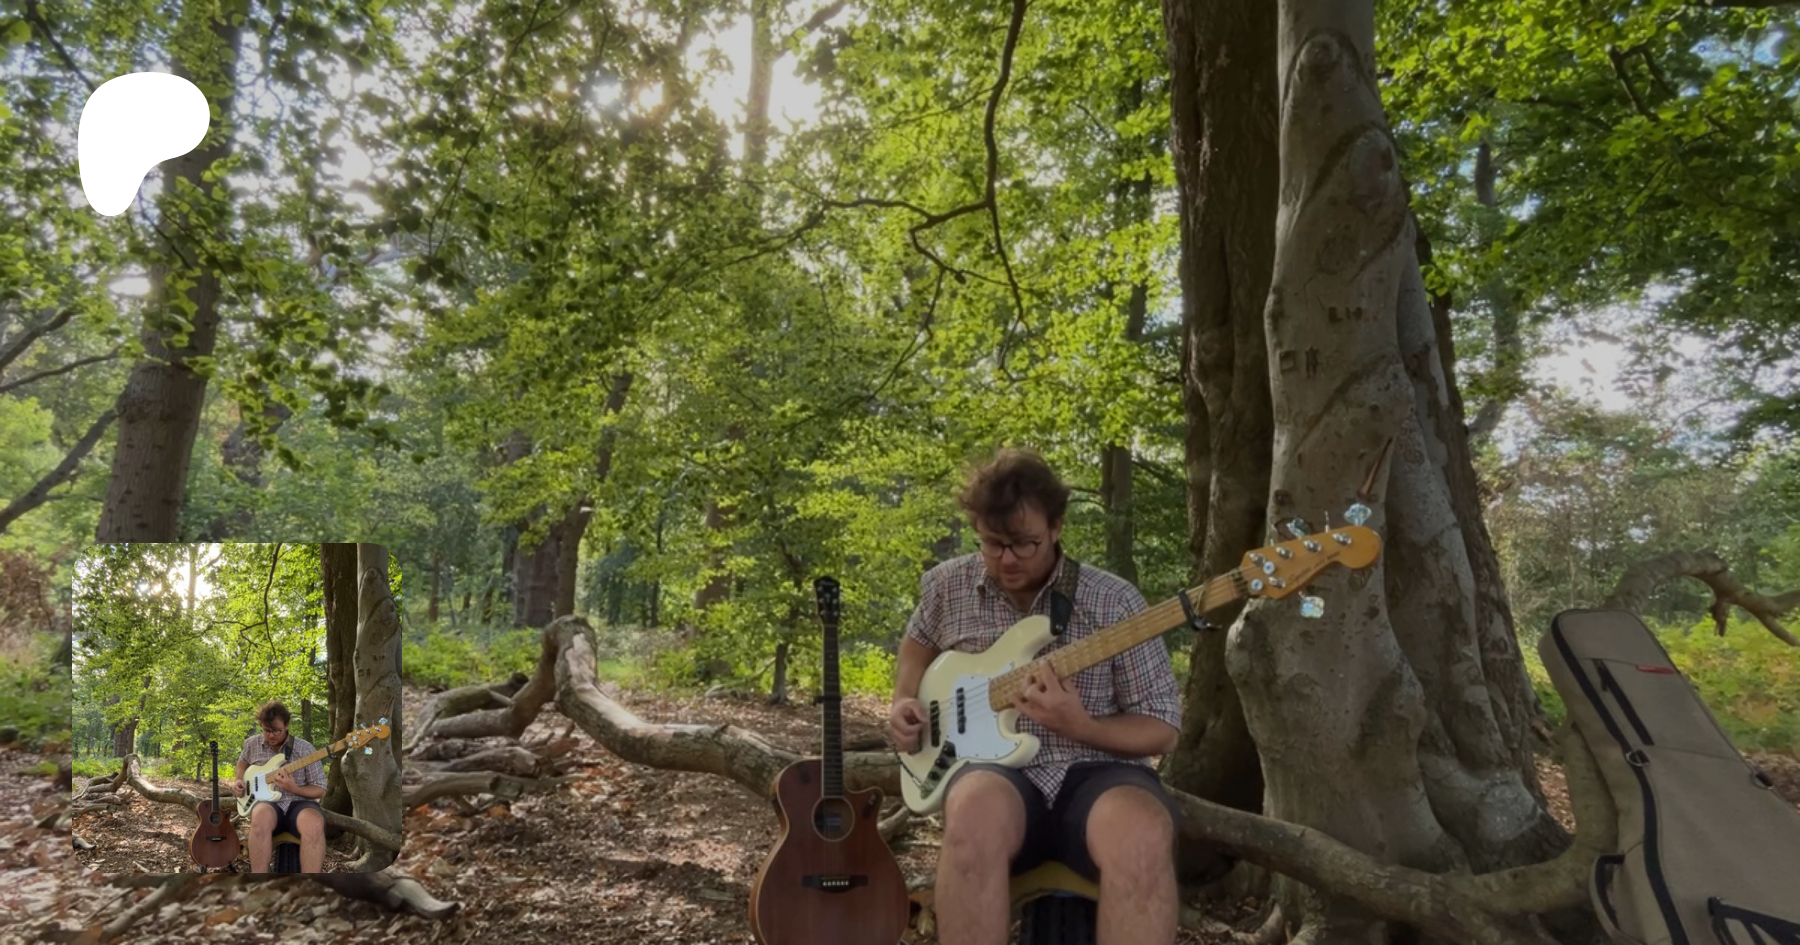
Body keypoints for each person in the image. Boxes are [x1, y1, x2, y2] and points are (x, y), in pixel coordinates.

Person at [889, 448, 1184, 945]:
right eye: (992, 543)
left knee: (1142, 834)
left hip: (1098, 774)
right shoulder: (946, 586)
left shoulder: (1114, 602)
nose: (1007, 559)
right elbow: (916, 647)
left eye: (1025, 544)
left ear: (1056, 526)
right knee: (972, 812)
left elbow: (1162, 728)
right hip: (993, 775)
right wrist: (902, 700)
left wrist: (1082, 726)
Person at [232, 700, 327, 872]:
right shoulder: (252, 744)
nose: (271, 736)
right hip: (267, 804)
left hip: (300, 803)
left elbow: (320, 789)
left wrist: (295, 789)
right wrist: (238, 780)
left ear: (287, 725)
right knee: (259, 817)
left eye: (277, 730)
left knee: (314, 824)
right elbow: (242, 763)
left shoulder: (304, 749)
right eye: (266, 730)